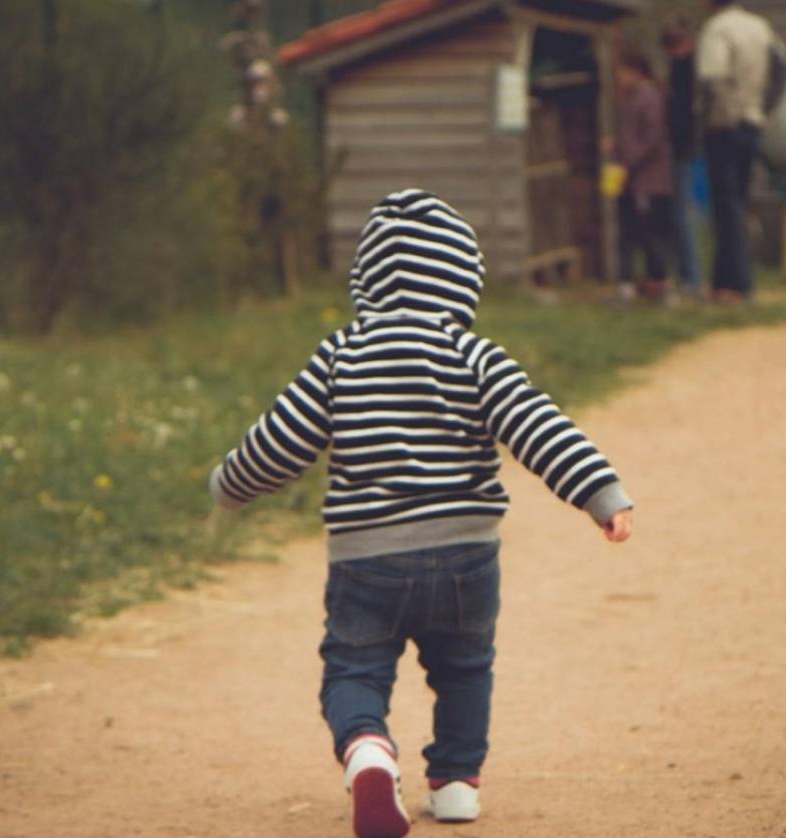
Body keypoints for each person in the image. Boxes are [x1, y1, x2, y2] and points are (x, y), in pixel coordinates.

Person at [207, 189, 635, 838]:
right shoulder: (473, 355)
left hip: (367, 562)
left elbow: (280, 440)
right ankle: (457, 783)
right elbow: (538, 426)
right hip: (466, 558)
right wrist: (600, 493)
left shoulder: (341, 355)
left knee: (354, 670)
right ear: (464, 276)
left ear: (367, 278)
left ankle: (368, 750)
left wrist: (229, 485)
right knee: (464, 669)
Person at [696, 0, 777, 302]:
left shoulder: (717, 28)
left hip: (725, 126)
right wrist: (764, 109)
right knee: (738, 202)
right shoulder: (760, 26)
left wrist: (715, 117)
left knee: (725, 206)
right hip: (752, 122)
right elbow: (782, 71)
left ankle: (737, 283)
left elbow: (712, 77)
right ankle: (723, 281)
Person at [612, 49, 677, 303]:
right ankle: (628, 284)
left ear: (635, 71)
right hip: (632, 178)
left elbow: (652, 136)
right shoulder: (632, 97)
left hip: (648, 181)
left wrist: (629, 159)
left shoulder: (649, 97)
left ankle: (661, 283)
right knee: (629, 232)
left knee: (649, 234)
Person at [662, 25, 707, 301]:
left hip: (682, 150)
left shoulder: (685, 71)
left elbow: (681, 116)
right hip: (685, 149)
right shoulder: (690, 69)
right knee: (679, 216)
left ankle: (691, 278)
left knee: (681, 216)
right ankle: (686, 275)